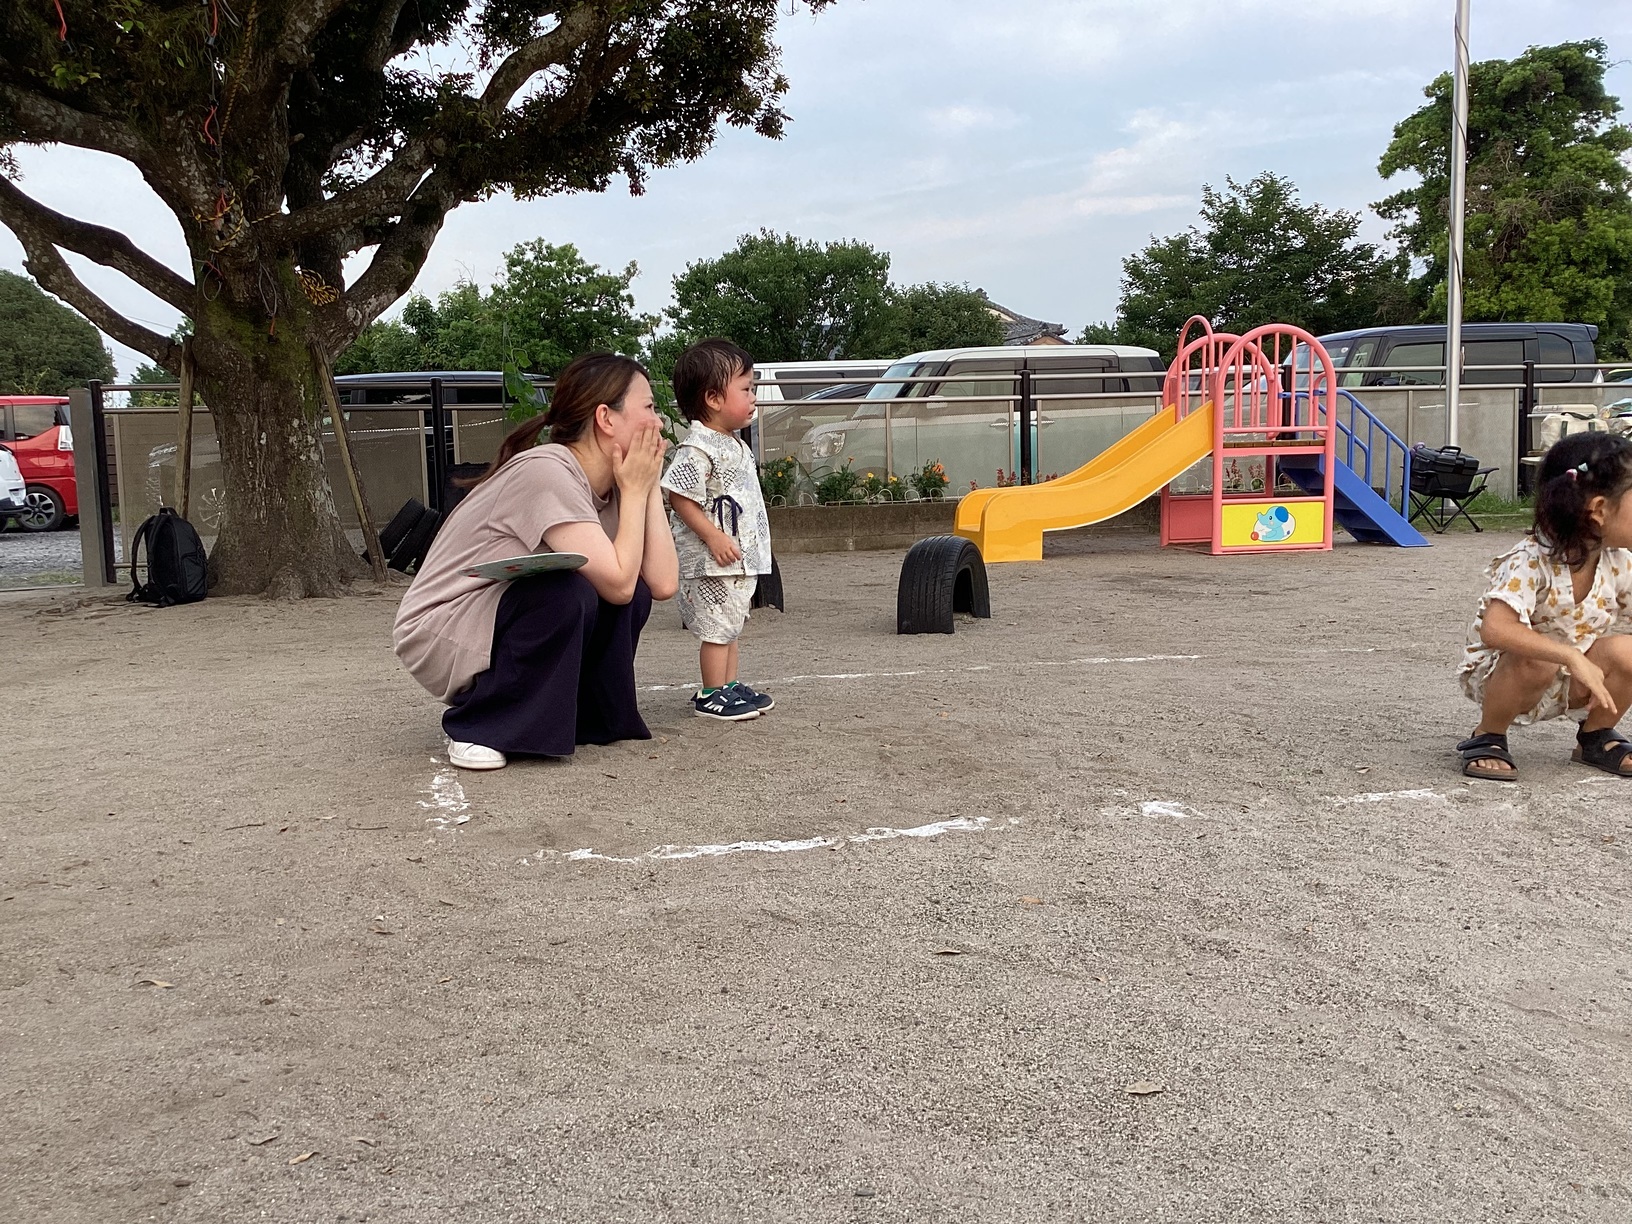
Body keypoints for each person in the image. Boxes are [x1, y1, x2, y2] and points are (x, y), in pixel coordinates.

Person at [393, 353, 679, 770]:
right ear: (605, 418)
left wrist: (647, 486)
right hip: (443, 625)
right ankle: (481, 725)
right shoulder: (547, 472)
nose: (659, 423)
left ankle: (590, 717)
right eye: (649, 407)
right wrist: (636, 492)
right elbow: (617, 583)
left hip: (497, 611)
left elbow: (661, 584)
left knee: (624, 589)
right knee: (567, 591)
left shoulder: (618, 482)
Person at [1458, 432, 1632, 779]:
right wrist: (1569, 657)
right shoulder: (1530, 560)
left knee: (1628, 652)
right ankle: (1489, 733)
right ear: (1599, 510)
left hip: (1577, 675)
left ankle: (1595, 736)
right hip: (1509, 673)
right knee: (1539, 658)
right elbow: (1496, 629)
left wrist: (1575, 660)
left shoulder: (1618, 560)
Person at [660, 339, 775, 721]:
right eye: (746, 389)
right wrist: (712, 535)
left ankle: (728, 685)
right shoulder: (697, 448)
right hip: (711, 562)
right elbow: (679, 496)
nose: (753, 397)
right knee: (716, 628)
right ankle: (711, 692)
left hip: (735, 558)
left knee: (731, 625)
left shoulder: (732, 443)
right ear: (713, 398)